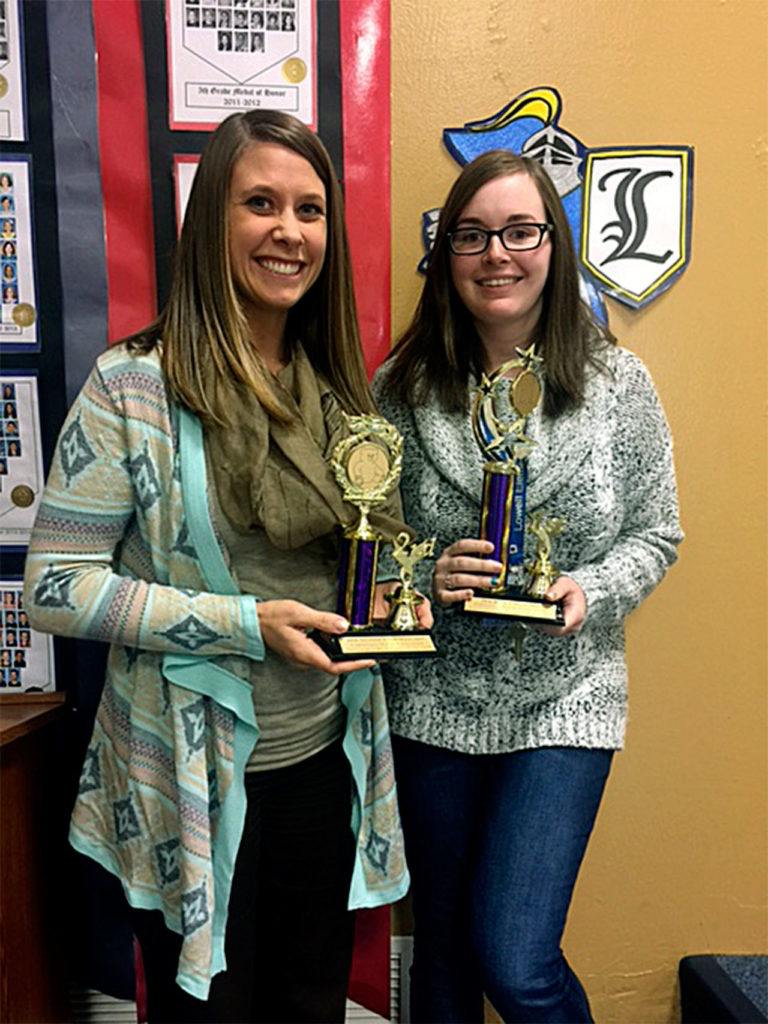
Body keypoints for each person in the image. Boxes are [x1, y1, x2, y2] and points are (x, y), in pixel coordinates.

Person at [24, 110, 428, 1024]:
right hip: (190, 782)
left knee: (308, 1004)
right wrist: (246, 623)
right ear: (213, 220)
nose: (290, 231)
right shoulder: (133, 386)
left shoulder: (334, 390)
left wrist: (414, 590)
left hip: (324, 765)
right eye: (261, 204)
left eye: (311, 210)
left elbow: (360, 559)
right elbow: (55, 586)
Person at [373, 150, 682, 1024]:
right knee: (441, 944)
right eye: (472, 236)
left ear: (555, 242)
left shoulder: (619, 384)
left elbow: (658, 532)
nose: (496, 254)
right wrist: (422, 575)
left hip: (567, 698)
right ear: (447, 257)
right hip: (431, 696)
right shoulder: (396, 390)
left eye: (519, 231)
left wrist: (591, 590)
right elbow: (358, 546)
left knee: (515, 957)